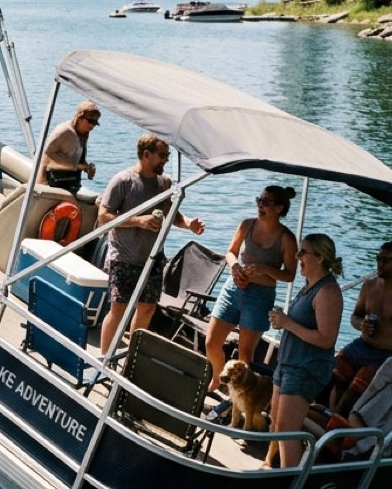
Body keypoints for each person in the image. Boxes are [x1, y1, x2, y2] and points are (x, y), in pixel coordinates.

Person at [97, 134, 205, 355]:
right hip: (124, 257)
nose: (166, 160)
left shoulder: (164, 183)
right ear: (146, 155)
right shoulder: (123, 181)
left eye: (167, 156)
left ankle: (131, 358)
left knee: (147, 309)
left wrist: (187, 224)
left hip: (152, 258)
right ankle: (104, 359)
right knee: (119, 309)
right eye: (162, 155)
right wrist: (138, 220)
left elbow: (172, 213)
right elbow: (104, 216)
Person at [204, 185, 298, 385]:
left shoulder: (287, 239)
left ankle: (238, 397)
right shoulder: (247, 225)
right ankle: (217, 378)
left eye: (266, 202)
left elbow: (290, 275)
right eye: (259, 200)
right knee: (211, 342)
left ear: (279, 208)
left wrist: (265, 269)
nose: (260, 205)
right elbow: (230, 252)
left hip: (260, 297)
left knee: (245, 355)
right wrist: (235, 267)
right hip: (233, 289)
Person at [267, 233, 344, 468]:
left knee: (287, 431)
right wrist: (283, 320)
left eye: (302, 252)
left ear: (320, 258)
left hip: (305, 369)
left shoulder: (328, 292)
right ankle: (269, 466)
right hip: (288, 364)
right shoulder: (309, 286)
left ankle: (289, 484)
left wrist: (288, 323)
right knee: (275, 423)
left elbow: (326, 339)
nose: (296, 256)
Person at [329, 240, 392, 415]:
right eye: (378, 258)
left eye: (386, 260)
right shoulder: (369, 286)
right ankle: (330, 416)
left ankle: (335, 425)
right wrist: (362, 325)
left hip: (387, 356)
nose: (380, 263)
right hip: (362, 346)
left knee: (357, 387)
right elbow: (355, 317)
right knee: (337, 366)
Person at [39, 100, 99, 189]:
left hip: (69, 183)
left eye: (95, 123)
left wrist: (88, 169)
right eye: (90, 121)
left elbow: (79, 162)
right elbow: (47, 155)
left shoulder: (83, 134)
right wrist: (75, 166)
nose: (92, 126)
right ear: (79, 118)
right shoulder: (64, 131)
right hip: (51, 183)